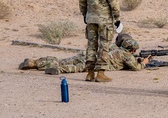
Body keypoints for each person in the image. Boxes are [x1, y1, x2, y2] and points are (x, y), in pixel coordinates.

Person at [79, 0, 121, 82]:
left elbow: (82, 0)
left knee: (91, 45)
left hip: (91, 18)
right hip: (105, 19)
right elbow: (113, 1)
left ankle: (90, 73)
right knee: (104, 45)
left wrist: (84, 14)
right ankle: (101, 73)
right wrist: (117, 18)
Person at [20, 33, 149, 75]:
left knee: (63, 60)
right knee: (77, 68)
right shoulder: (125, 55)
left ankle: (35, 62)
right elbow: (135, 67)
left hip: (88, 54)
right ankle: (57, 70)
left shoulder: (114, 47)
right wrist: (143, 63)